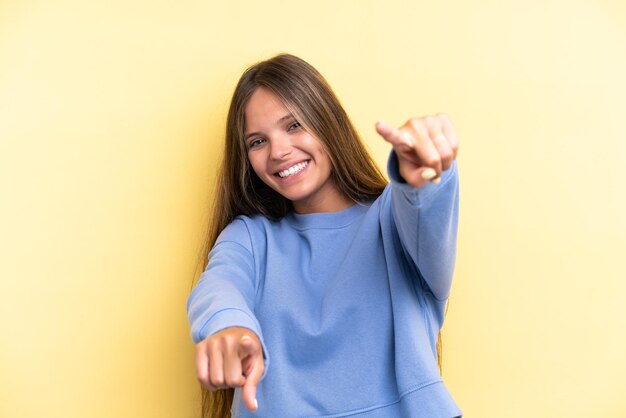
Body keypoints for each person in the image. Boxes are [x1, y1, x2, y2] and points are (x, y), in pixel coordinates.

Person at [186, 53, 462, 418]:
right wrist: (228, 327)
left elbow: (427, 211)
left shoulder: (394, 221)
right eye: (257, 142)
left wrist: (423, 172)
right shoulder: (251, 238)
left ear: (327, 122)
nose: (279, 152)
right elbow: (219, 285)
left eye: (294, 125)